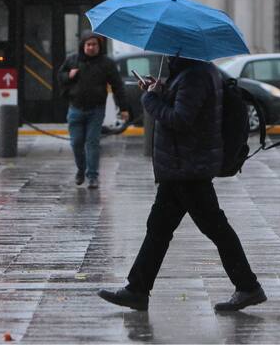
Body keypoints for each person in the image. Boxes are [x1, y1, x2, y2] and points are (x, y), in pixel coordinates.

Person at [97, 55, 266, 312]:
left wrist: (150, 100)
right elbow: (187, 107)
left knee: (215, 228)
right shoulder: (196, 71)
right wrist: (161, 90)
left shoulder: (196, 75)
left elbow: (181, 119)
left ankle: (248, 287)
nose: (169, 52)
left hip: (188, 167)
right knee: (159, 228)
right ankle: (137, 290)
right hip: (181, 166)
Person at [57, 31, 129, 189]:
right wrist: (68, 75)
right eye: (88, 45)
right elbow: (60, 76)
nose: (91, 47)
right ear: (83, 45)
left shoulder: (106, 63)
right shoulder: (72, 60)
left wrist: (123, 108)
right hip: (75, 108)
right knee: (76, 142)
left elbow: (118, 86)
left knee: (92, 142)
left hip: (96, 110)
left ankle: (93, 176)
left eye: (94, 45)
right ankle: (81, 169)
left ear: (99, 46)